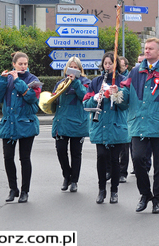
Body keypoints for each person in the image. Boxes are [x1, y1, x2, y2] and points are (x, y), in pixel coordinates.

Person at [119, 37, 159, 214]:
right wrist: (115, 95)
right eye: (145, 48)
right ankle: (145, 194)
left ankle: (157, 199)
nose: (146, 51)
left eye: (150, 49)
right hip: (138, 124)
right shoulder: (135, 72)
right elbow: (124, 98)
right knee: (138, 159)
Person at [0, 52, 42, 203]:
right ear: (14, 64)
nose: (23, 66)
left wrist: (18, 80)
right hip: (9, 124)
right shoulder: (6, 79)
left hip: (26, 124)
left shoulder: (33, 79)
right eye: (20, 64)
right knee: (7, 158)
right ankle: (13, 189)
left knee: (25, 159)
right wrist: (1, 80)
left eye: (26, 64)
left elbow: (32, 97)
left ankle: (25, 191)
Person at [83, 52, 129, 204]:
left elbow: (124, 105)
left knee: (115, 160)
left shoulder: (123, 81)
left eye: (111, 63)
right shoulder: (96, 81)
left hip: (116, 125)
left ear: (116, 65)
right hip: (100, 125)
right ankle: (101, 189)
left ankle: (114, 191)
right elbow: (85, 103)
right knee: (101, 157)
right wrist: (96, 97)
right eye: (106, 63)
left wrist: (115, 95)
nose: (108, 66)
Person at [52, 57, 91, 193]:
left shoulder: (85, 83)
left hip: (77, 123)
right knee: (60, 150)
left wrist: (75, 83)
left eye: (76, 67)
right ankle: (66, 176)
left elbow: (84, 97)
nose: (73, 70)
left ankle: (74, 181)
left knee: (76, 153)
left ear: (80, 70)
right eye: (70, 67)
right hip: (61, 123)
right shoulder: (60, 83)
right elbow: (54, 100)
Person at [118, 55, 131, 183]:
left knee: (124, 147)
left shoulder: (126, 79)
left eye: (120, 65)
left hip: (125, 116)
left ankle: (123, 172)